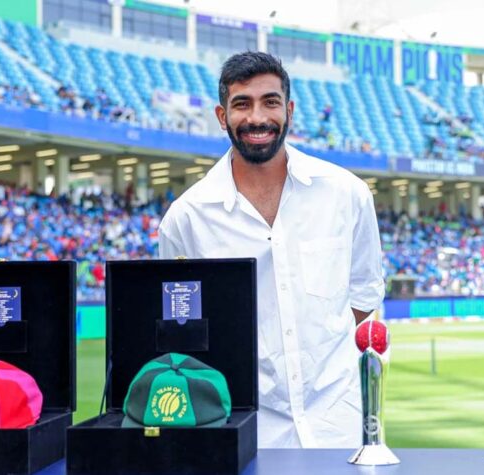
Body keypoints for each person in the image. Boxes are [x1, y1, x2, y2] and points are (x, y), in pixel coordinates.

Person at [158, 52, 385, 449]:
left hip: (340, 424)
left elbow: (364, 294)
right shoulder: (186, 218)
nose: (257, 117)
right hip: (245, 430)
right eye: (242, 104)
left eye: (270, 102)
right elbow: (183, 330)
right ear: (222, 116)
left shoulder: (347, 193)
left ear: (289, 111)